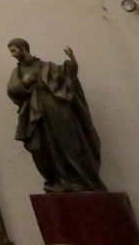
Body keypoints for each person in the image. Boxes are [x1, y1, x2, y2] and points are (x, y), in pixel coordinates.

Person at [6, 38, 104, 192]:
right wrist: (24, 82)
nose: (13, 55)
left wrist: (72, 63)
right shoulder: (17, 72)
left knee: (68, 144)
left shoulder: (47, 66)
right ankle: (56, 180)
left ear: (23, 48)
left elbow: (66, 76)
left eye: (14, 50)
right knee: (42, 148)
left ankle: (79, 180)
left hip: (57, 110)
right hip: (36, 115)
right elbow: (12, 91)